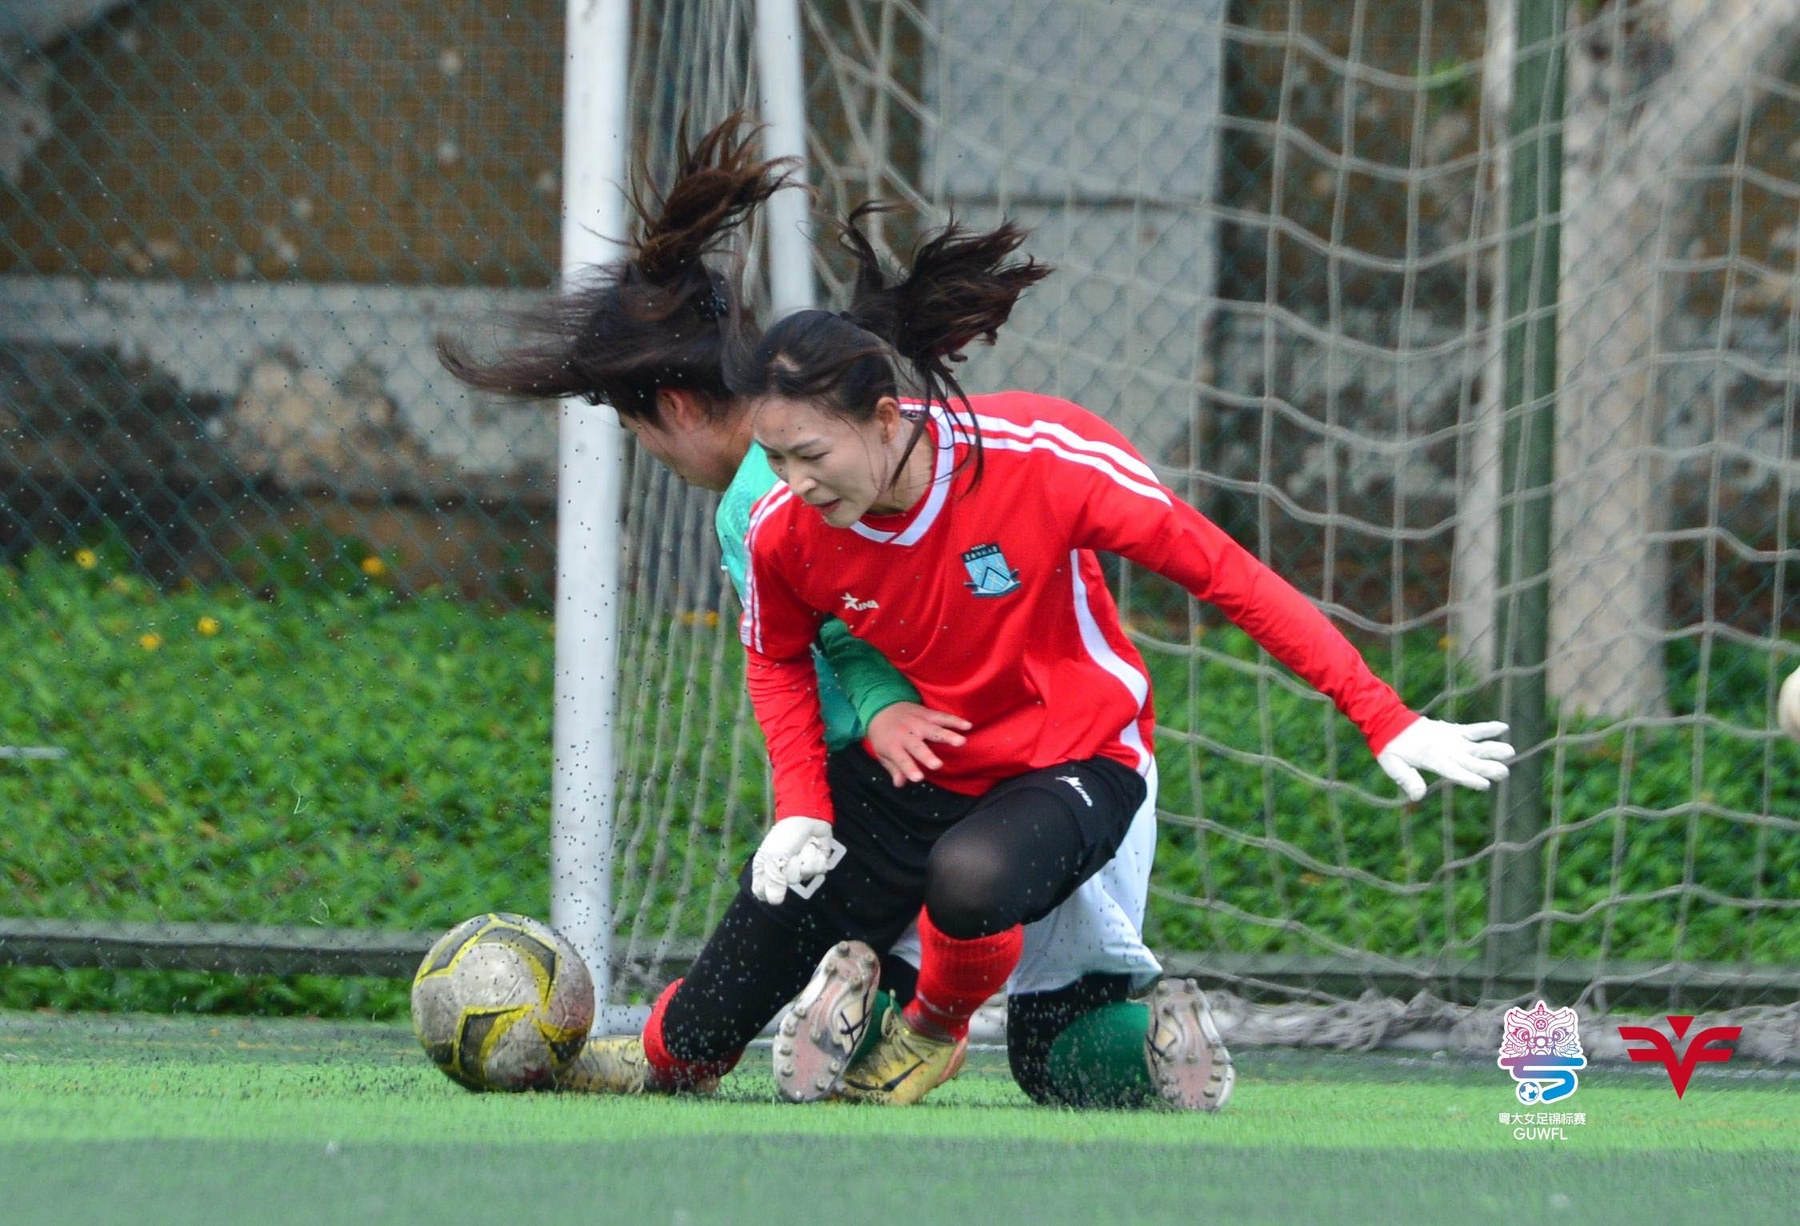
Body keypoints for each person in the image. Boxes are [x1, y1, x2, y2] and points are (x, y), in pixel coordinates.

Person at [440, 114, 1226, 1111]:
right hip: (1071, 766)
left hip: (958, 774)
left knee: (791, 939)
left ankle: (771, 1028)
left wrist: (873, 714)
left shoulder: (762, 505)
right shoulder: (855, 443)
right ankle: (1146, 1034)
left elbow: (844, 640)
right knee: (1051, 1036)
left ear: (675, 411)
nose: (655, 458)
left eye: (639, 435)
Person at [722, 204, 1517, 1105]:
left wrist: (1381, 712)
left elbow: (1227, 575)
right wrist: (800, 806)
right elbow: (779, 657)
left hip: (1077, 766)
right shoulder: (783, 529)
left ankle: (941, 1032)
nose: (793, 482)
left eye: (808, 454)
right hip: (945, 778)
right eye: (772, 459)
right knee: (1007, 1016)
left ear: (882, 415)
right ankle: (880, 1026)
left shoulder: (1039, 456)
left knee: (996, 939)